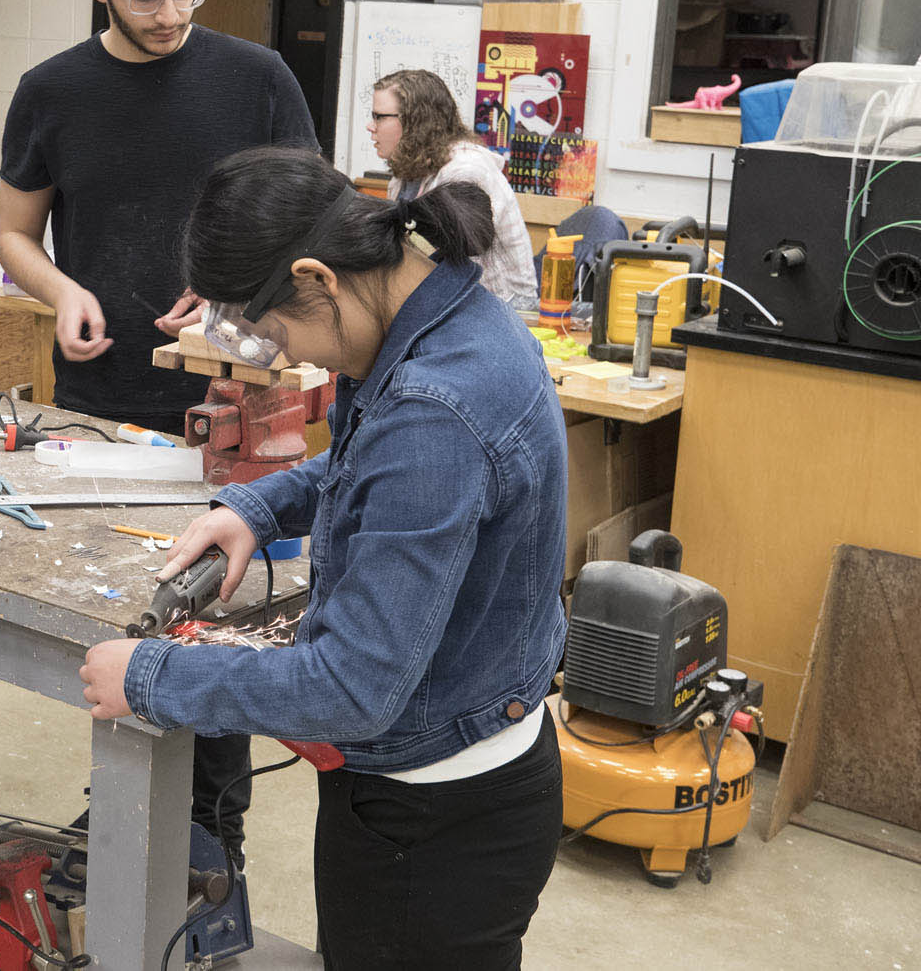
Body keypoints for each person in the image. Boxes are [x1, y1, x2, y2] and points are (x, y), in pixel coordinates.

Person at [78, 148, 567, 969]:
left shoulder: (433, 407)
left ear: (319, 277)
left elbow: (352, 687)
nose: (292, 359)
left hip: (429, 823)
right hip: (466, 774)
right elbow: (365, 459)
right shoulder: (449, 321)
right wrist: (258, 508)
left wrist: (151, 677)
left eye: (276, 335)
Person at [0, 0, 318, 866]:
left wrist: (232, 304)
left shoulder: (256, 78)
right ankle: (131, 796)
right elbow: (12, 232)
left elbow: (309, 223)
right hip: (101, 401)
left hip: (234, 398)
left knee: (218, 617)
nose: (171, 14)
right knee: (121, 610)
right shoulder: (52, 90)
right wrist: (60, 292)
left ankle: (208, 826)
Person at [368, 68, 538, 311]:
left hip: (500, 311)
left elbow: (461, 271)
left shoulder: (465, 172)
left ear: (414, 121)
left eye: (379, 117)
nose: (370, 126)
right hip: (454, 303)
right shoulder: (404, 176)